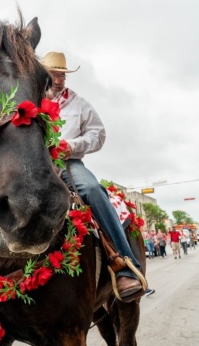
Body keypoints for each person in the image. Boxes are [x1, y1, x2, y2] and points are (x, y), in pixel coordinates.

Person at [42, 51, 145, 301]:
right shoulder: (29, 99)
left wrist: (71, 146)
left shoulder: (79, 103)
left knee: (92, 190)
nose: (58, 79)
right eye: (53, 74)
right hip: (35, 163)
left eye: (62, 75)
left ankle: (125, 265)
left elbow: (98, 135)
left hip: (68, 163)